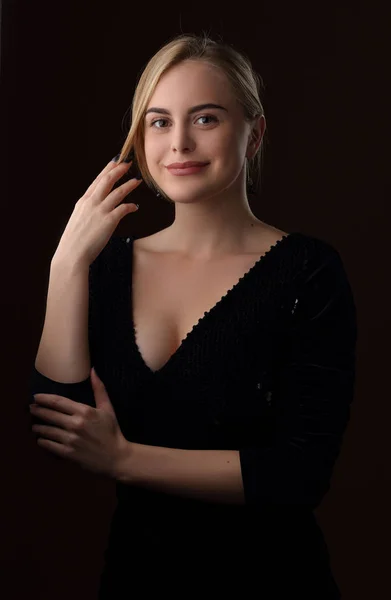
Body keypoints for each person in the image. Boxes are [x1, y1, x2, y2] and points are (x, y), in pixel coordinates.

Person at [29, 33, 357, 599]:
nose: (178, 142)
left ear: (253, 134)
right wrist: (66, 265)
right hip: (137, 579)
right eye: (158, 122)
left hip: (277, 581)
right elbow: (63, 425)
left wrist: (127, 461)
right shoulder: (105, 267)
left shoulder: (309, 271)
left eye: (205, 119)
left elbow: (298, 475)